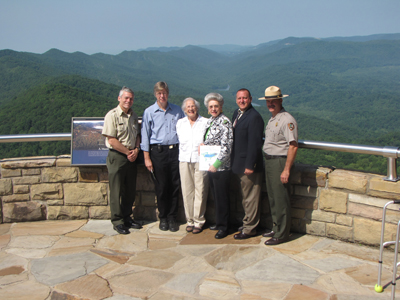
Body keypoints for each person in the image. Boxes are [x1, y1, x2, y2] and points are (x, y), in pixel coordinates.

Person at [141, 81, 185, 232]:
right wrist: (146, 157)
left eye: (164, 93)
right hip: (157, 153)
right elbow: (145, 136)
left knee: (174, 185)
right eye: (159, 93)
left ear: (168, 94)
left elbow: (185, 130)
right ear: (155, 94)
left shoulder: (177, 110)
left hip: (175, 152)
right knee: (161, 186)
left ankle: (173, 218)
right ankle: (163, 218)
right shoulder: (149, 112)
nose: (162, 96)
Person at [259, 85, 298, 245]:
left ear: (281, 100)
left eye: (274, 101)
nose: (270, 104)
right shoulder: (273, 118)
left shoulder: (287, 119)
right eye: (268, 101)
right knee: (273, 198)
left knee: (281, 199)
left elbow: (293, 145)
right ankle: (277, 227)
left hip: (280, 161)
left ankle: (282, 234)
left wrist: (286, 169)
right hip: (269, 161)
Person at [102, 86, 142, 234]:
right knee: (116, 190)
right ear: (119, 98)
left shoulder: (133, 115)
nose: (128, 101)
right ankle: (117, 221)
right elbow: (112, 140)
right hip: (118, 156)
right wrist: (127, 153)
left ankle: (127, 217)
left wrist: (136, 150)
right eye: (126, 98)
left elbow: (137, 135)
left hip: (132, 155)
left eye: (131, 98)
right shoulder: (111, 115)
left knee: (130, 191)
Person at [231, 88, 265, 240]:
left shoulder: (254, 117)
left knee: (251, 198)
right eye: (239, 98)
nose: (242, 100)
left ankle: (250, 229)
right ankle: (247, 223)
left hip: (248, 166)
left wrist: (250, 165)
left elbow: (255, 144)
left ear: (250, 99)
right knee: (245, 197)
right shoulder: (237, 113)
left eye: (245, 98)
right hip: (238, 163)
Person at [202, 92, 233, 239]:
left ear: (221, 107)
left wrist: (216, 164)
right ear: (208, 109)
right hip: (211, 166)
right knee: (216, 196)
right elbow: (209, 141)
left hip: (221, 168)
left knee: (222, 198)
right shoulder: (210, 121)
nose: (213, 109)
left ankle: (224, 227)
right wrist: (202, 146)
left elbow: (227, 146)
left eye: (216, 106)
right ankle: (219, 222)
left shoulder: (225, 122)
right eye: (211, 107)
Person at [176, 98, 209, 234]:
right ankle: (189, 220)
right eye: (188, 107)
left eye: (193, 106)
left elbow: (210, 140)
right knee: (187, 190)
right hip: (184, 159)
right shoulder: (180, 123)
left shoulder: (206, 122)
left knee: (200, 190)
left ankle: (199, 221)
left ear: (197, 108)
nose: (191, 109)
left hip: (201, 159)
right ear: (184, 110)